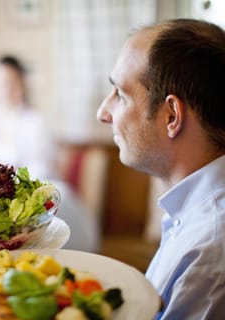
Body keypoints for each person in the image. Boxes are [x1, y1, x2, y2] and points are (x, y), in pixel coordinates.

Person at [96, 18, 225, 318]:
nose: (103, 112)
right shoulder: (191, 212)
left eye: (120, 94)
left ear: (171, 117)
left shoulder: (207, 252)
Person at [0, 54, 99, 252]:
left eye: (6, 84)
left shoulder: (34, 121)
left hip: (28, 189)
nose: (0, 91)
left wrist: (9, 184)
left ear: (20, 85)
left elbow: (42, 168)